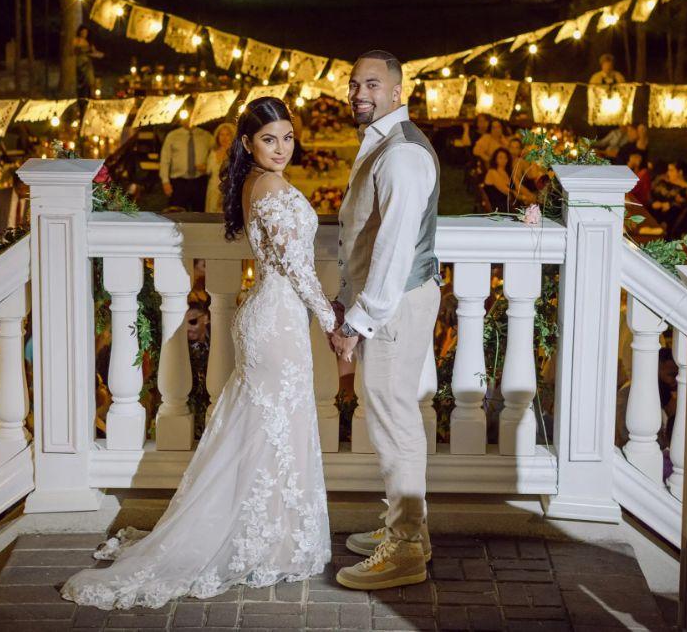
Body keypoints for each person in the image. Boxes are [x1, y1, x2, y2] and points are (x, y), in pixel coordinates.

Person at [61, 97, 335, 609]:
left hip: (272, 315)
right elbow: (296, 266)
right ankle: (261, 540)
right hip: (277, 319)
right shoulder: (269, 187)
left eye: (287, 138)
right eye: (269, 139)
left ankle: (267, 535)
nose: (281, 148)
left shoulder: (255, 182)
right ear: (248, 144)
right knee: (273, 428)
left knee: (263, 429)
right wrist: (332, 319)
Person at [329, 50, 440, 591]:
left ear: (398, 92)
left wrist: (356, 321)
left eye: (371, 84)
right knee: (393, 416)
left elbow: (393, 251)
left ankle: (404, 549)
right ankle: (410, 529)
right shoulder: (385, 142)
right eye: (354, 84)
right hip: (394, 300)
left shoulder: (402, 155)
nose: (359, 93)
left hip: (395, 303)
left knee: (394, 422)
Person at [159, 114, 214, 212]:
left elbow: (215, 154)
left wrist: (208, 166)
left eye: (192, 117)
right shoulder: (172, 136)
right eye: (186, 117)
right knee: (177, 213)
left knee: (199, 213)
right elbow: (165, 159)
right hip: (179, 182)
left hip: (200, 181)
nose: (189, 120)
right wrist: (165, 181)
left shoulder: (206, 136)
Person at [650, 161, 687, 236]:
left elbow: (682, 206)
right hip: (651, 208)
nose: (668, 173)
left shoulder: (686, 190)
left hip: (665, 219)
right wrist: (653, 202)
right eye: (668, 170)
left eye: (671, 170)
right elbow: (651, 190)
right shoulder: (663, 180)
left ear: (680, 172)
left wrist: (666, 204)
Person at [0, 173, 31, 246]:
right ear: (14, 186)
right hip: (1, 244)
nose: (23, 192)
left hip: (24, 245)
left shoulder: (32, 199)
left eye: (26, 188)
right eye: (20, 189)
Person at [204, 122, 236, 214]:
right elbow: (209, 171)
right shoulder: (213, 152)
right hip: (213, 188)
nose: (224, 138)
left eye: (227, 134)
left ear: (232, 136)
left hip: (228, 189)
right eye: (221, 135)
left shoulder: (235, 153)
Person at [483, 148, 515, 212]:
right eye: (500, 157)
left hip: (508, 203)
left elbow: (516, 186)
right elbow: (505, 190)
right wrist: (522, 197)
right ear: (495, 159)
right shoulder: (492, 172)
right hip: (498, 206)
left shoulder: (507, 171)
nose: (503, 160)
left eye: (505, 158)